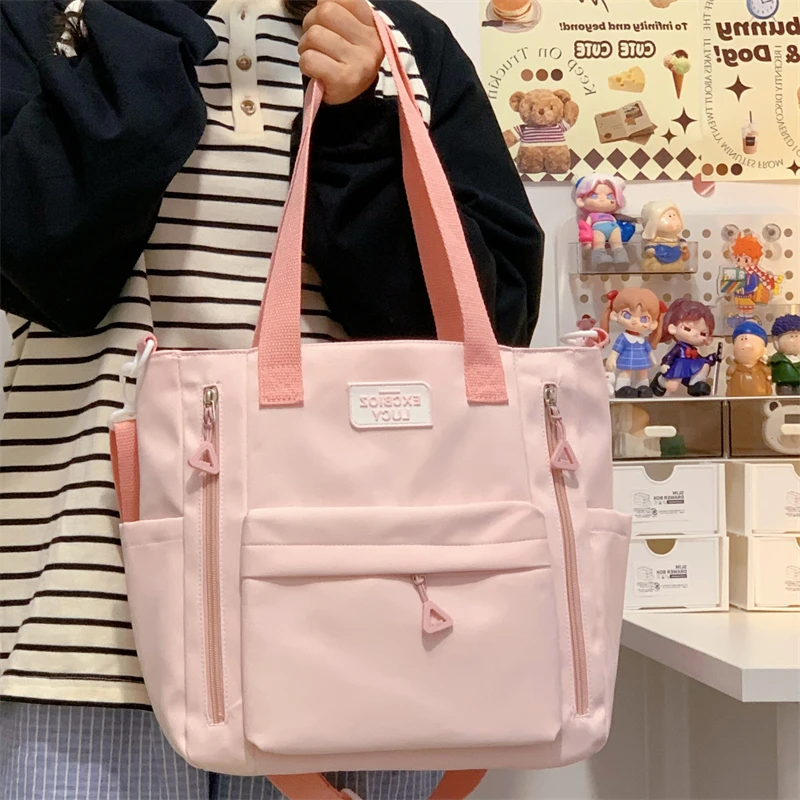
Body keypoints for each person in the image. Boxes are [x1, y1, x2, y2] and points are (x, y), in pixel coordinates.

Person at [0, 1, 543, 798]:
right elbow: (42, 266)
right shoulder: (51, 16)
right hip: (89, 624)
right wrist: (146, 21)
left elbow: (484, 333)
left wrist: (358, 128)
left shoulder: (401, 40)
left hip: (370, 620)